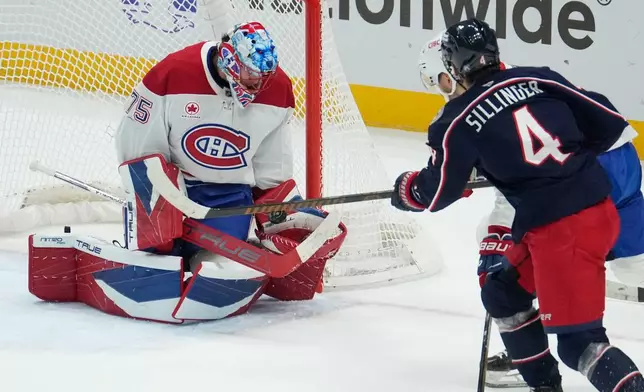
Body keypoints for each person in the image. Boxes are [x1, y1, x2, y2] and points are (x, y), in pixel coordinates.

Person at [27, 21, 346, 324]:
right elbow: (135, 145)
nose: (259, 85)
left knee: (221, 263)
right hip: (173, 186)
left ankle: (207, 265)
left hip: (228, 196)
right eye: (252, 75)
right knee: (159, 246)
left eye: (265, 76)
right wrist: (161, 196)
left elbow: (270, 168)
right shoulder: (172, 74)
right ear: (231, 62)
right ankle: (152, 251)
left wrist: (281, 216)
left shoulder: (278, 91)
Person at [393, 18, 644, 391]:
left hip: (564, 226)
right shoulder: (538, 77)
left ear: (453, 68)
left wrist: (405, 191)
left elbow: (438, 190)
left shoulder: (456, 119)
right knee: (502, 294)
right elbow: (609, 123)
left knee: (581, 344)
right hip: (600, 194)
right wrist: (564, 163)